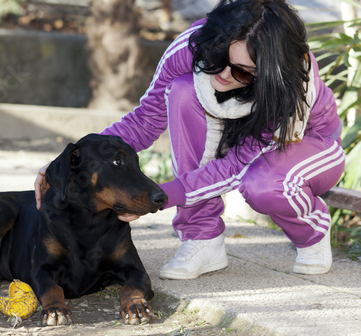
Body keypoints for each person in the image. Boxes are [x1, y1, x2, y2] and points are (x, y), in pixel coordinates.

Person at [35, 0, 345, 279]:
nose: (223, 74)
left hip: (309, 146)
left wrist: (157, 198)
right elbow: (145, 120)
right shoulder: (191, 46)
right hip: (231, 135)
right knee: (183, 92)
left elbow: (235, 167)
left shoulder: (290, 83)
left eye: (244, 72)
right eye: (218, 57)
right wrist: (68, 162)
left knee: (263, 184)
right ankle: (202, 237)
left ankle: (312, 231)